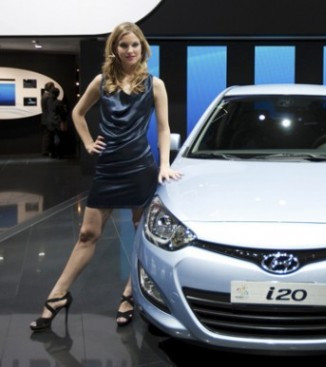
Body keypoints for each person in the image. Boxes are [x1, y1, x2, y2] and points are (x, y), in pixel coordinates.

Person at [30, 22, 181, 331]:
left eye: (135, 45)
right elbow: (77, 113)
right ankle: (58, 295)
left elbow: (164, 128)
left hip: (140, 167)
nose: (130, 50)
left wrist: (164, 164)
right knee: (87, 234)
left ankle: (129, 293)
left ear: (142, 48)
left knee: (141, 236)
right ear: (115, 48)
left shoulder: (155, 84)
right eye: (124, 45)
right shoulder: (102, 81)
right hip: (109, 168)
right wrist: (87, 143)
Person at [40, 82, 56, 156]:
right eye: (53, 87)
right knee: (49, 136)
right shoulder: (49, 96)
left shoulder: (44, 95)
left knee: (46, 135)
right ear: (51, 87)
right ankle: (47, 151)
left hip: (44, 118)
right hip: (49, 119)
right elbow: (50, 109)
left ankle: (45, 151)